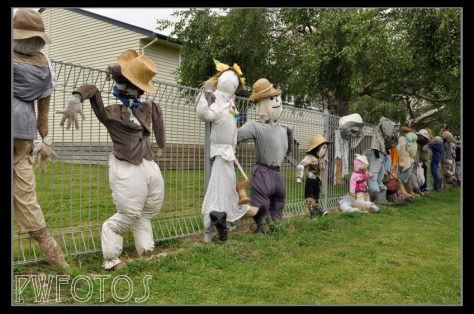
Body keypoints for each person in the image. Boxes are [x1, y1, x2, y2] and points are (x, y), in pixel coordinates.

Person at [58, 49, 166, 270]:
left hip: (148, 162)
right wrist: (75, 98)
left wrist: (162, 145)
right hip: (126, 164)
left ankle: (145, 249)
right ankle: (112, 258)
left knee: (147, 210)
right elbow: (93, 91)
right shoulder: (110, 113)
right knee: (128, 212)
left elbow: (158, 121)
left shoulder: (148, 107)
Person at [13, 8, 69, 270]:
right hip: (24, 135)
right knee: (26, 193)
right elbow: (43, 112)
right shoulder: (45, 68)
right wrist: (44, 138)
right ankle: (54, 254)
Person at [196, 60, 261, 243]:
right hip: (221, 154)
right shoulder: (220, 104)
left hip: (228, 154)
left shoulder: (231, 107)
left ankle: (220, 224)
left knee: (223, 192)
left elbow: (230, 128)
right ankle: (216, 225)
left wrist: (232, 150)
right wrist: (203, 97)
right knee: (217, 192)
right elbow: (205, 114)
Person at [237, 78, 294, 234]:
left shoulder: (284, 128)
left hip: (278, 172)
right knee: (261, 203)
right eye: (271, 98)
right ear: (262, 102)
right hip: (263, 171)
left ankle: (276, 226)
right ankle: (261, 227)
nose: (276, 101)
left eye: (276, 97)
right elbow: (236, 136)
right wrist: (233, 120)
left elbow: (289, 135)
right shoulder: (255, 126)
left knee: (279, 202)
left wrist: (288, 151)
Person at [296, 134, 332, 218]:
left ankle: (318, 211)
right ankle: (313, 214)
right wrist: (299, 177)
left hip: (318, 180)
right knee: (309, 197)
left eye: (325, 148)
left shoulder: (320, 158)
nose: (324, 150)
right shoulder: (310, 158)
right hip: (311, 179)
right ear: (317, 148)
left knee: (316, 196)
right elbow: (300, 165)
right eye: (323, 147)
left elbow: (323, 163)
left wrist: (325, 161)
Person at [367, 117, 395, 205]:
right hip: (377, 154)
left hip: (381, 155)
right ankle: (376, 199)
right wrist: (376, 152)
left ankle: (382, 199)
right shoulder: (377, 130)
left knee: (380, 177)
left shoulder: (381, 133)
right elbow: (375, 143)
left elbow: (383, 144)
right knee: (373, 177)